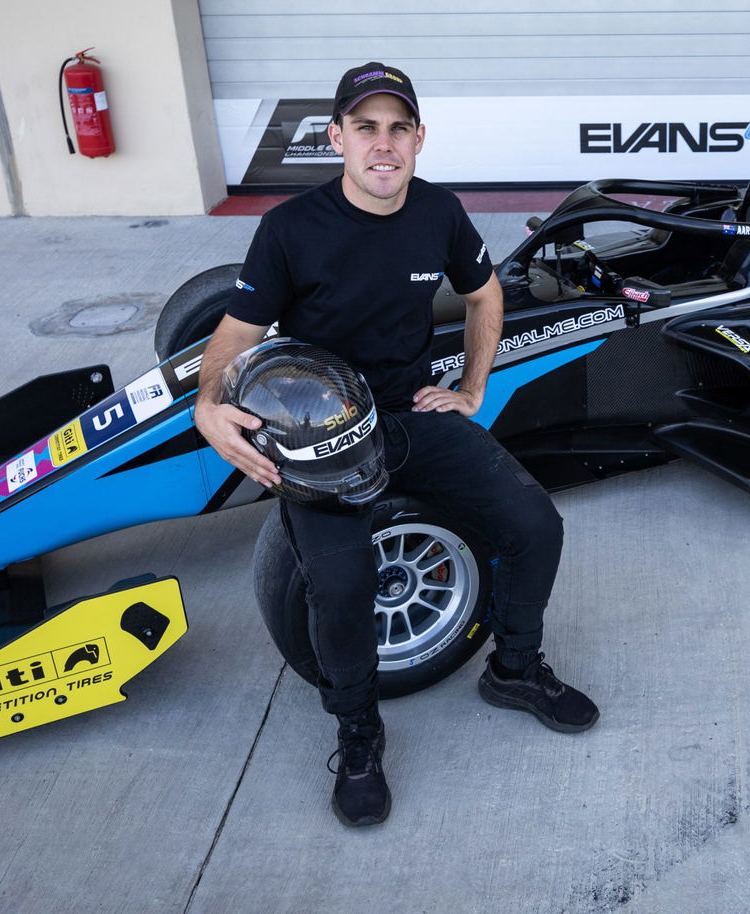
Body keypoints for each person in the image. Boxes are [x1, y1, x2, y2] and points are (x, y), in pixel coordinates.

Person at [193, 62, 598, 827]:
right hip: (319, 434)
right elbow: (236, 333)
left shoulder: (440, 213)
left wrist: (472, 389)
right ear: (338, 138)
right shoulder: (290, 229)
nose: (384, 144)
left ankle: (514, 669)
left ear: (418, 139)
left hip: (411, 412)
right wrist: (207, 408)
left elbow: (484, 294)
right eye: (367, 128)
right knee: (342, 588)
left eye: (399, 128)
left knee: (536, 524)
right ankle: (358, 732)